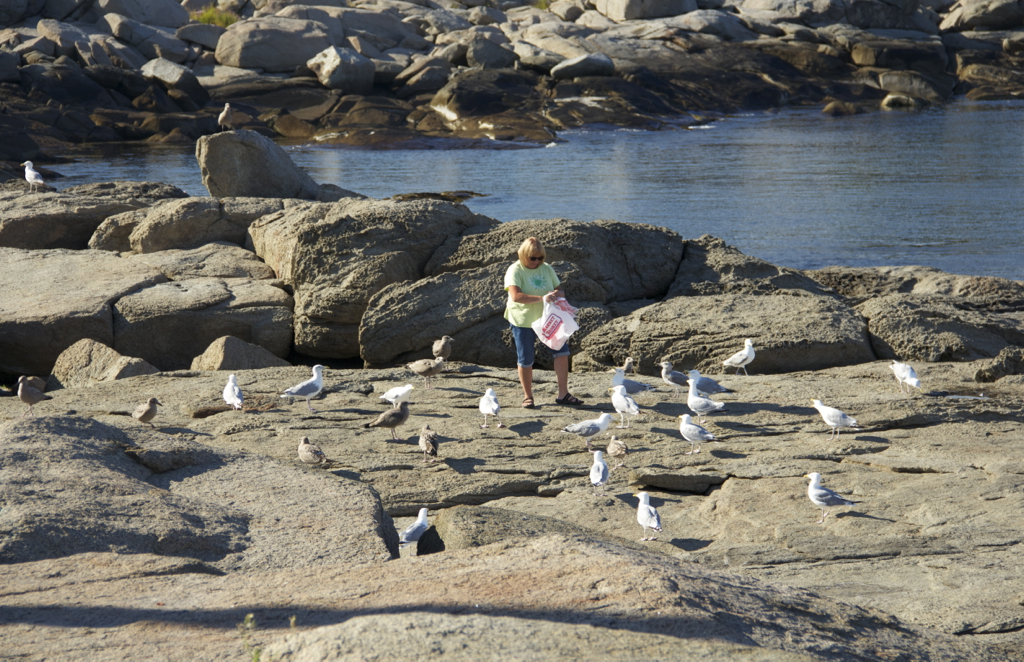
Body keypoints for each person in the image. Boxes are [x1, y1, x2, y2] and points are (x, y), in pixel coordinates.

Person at [504, 236, 583, 408]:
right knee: (526, 358)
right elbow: (516, 296)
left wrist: (557, 295)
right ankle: (528, 396)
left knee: (562, 352)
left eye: (540, 258)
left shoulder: (546, 268)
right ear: (524, 255)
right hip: (523, 320)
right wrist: (542, 298)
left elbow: (560, 290)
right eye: (533, 258)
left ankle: (563, 394)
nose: (536, 261)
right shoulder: (514, 270)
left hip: (548, 319)